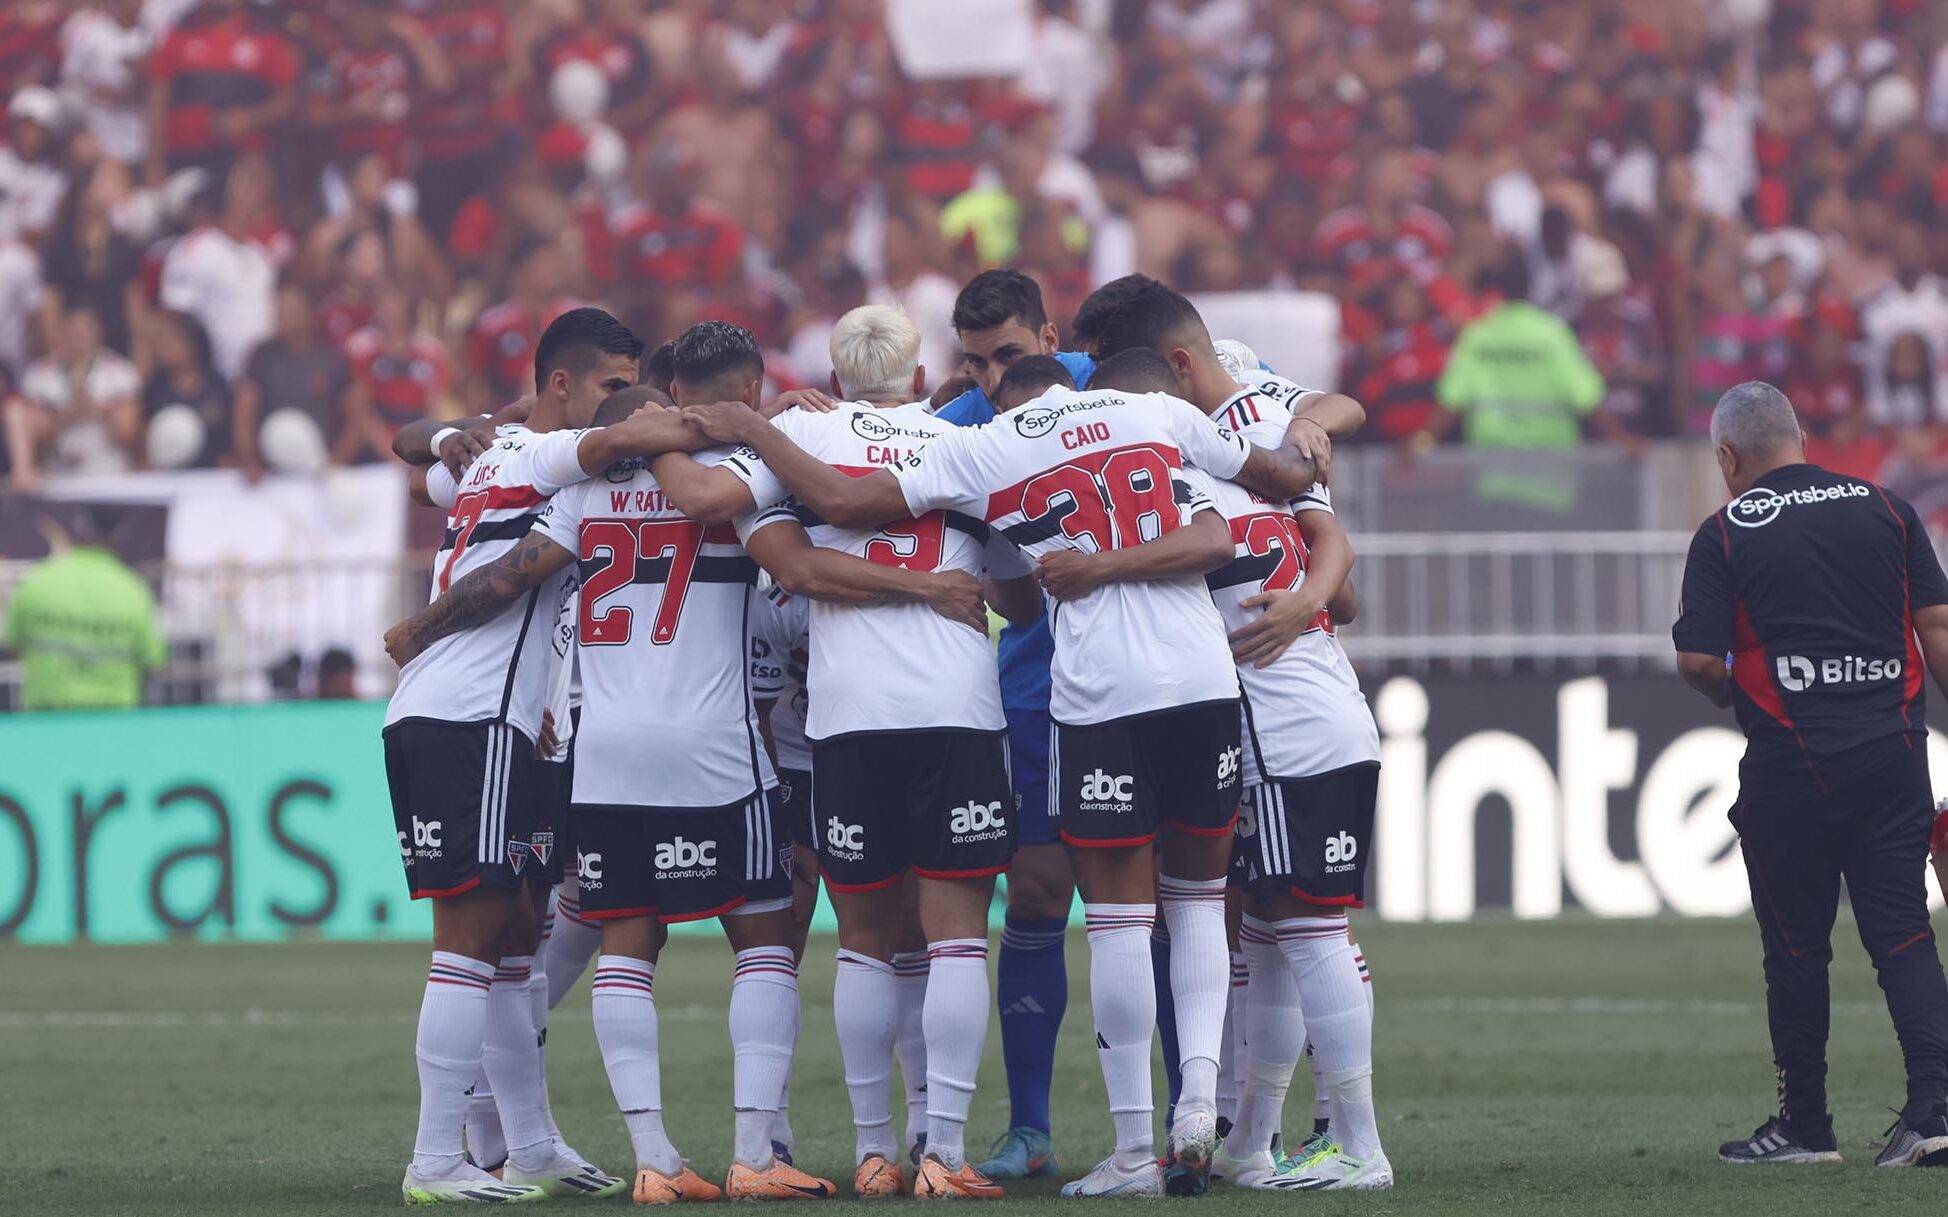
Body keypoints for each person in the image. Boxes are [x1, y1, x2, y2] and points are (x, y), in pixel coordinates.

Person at [675, 337, 1322, 1198]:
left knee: (888, 942)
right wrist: (1313, 430)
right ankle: (1170, 1112)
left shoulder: (970, 444)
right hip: (1083, 695)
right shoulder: (1143, 416)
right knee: (1162, 906)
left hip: (880, 710)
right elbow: (1236, 509)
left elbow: (812, 516)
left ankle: (908, 1149)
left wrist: (755, 424)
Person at [394, 325, 978, 1202]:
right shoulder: (750, 473)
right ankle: (754, 1150)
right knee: (766, 935)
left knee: (624, 941)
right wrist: (766, 431)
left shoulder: (577, 479)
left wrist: (418, 624)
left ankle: (652, 1159)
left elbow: (513, 568)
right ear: (742, 390)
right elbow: (786, 554)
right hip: (714, 742)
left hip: (603, 751)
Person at [647, 307, 1023, 1199]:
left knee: (861, 942)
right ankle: (947, 1150)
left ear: (834, 370)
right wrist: (942, 580)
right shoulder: (962, 441)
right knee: (957, 939)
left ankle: (874, 1150)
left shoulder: (793, 437)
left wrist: (761, 422)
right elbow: (1021, 589)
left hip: (846, 719)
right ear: (919, 365)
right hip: (955, 709)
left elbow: (798, 567)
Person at [1083, 345, 1389, 1192]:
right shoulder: (1267, 468)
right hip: (1300, 715)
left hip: (1291, 724)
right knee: (1264, 932)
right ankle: (1253, 1138)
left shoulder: (1183, 480)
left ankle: (1355, 1140)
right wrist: (1305, 587)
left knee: (1310, 928)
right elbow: (1347, 589)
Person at [376, 308, 661, 1204]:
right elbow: (499, 577)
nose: (627, 409)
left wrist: (456, 430)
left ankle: (529, 1144)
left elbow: (410, 444)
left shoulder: (491, 456)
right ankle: (434, 1157)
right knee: (470, 935)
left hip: (504, 722)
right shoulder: (542, 456)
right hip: (471, 714)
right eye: (613, 387)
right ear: (564, 388)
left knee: (516, 935)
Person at [1673, 380, 1948, 1168]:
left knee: (1796, 947)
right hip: (1894, 754)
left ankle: (1806, 1127)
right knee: (1902, 935)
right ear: (1797, 435)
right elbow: (1937, 629)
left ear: (1728, 455)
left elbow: (1697, 658)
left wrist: (1734, 690)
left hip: (1794, 767)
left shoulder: (1727, 530)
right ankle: (1933, 1111)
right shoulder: (1887, 508)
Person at [1423, 251, 1629, 453]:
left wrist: (1420, 441)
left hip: (1492, 467)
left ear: (1499, 287)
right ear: (1531, 285)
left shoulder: (1478, 335)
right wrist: (1622, 439)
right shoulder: (1551, 334)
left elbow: (1451, 401)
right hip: (1551, 468)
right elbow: (1586, 398)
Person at [1, 505, 164, 711]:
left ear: (75, 533)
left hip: (46, 718)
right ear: (117, 538)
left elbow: (13, 643)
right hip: (112, 718)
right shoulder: (132, 589)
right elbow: (152, 658)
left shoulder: (39, 580)